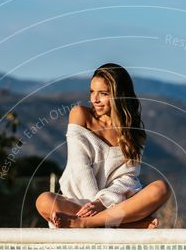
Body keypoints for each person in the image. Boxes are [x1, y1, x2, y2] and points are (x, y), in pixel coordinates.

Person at [35, 62, 171, 228]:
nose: (95, 99)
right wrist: (93, 205)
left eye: (103, 93)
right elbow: (80, 167)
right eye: (92, 92)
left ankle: (86, 224)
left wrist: (103, 202)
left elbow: (127, 179)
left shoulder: (134, 134)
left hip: (113, 204)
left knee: (161, 189)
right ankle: (123, 225)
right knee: (44, 201)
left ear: (119, 95)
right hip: (79, 203)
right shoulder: (80, 115)